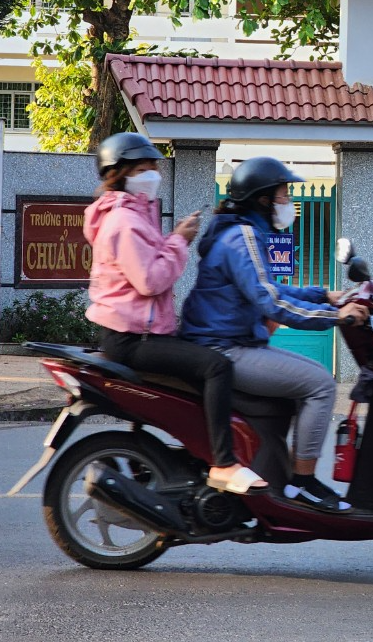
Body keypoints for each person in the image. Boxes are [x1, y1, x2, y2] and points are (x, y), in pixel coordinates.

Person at [84, 132, 267, 496]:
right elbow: (150, 280)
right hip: (132, 340)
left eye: (153, 165)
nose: (153, 172)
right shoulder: (124, 221)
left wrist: (174, 238)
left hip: (142, 333)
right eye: (142, 167)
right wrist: (180, 239)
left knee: (199, 379)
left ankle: (196, 459)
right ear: (119, 174)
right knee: (217, 366)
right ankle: (224, 464)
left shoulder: (136, 215)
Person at [180, 157, 350, 512]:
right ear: (262, 199)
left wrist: (323, 295)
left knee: (303, 384)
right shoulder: (242, 236)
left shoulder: (241, 230)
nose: (289, 203)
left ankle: (277, 474)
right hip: (224, 348)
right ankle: (301, 483)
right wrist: (336, 317)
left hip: (230, 342)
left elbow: (270, 289)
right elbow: (270, 301)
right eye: (284, 195)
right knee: (321, 384)